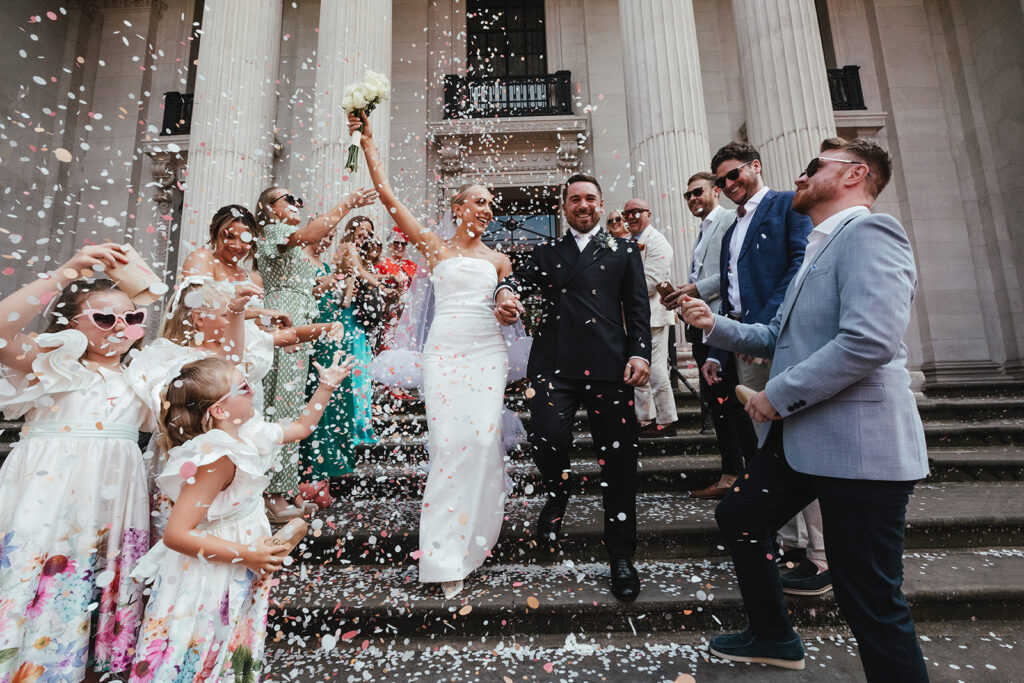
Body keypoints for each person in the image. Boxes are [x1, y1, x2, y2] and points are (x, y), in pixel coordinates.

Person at [676, 138, 929, 680]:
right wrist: (712, 325)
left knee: (872, 601)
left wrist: (775, 396)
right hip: (804, 441)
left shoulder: (871, 232)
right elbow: (776, 335)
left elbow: (868, 342)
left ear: (854, 174)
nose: (802, 174)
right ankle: (773, 634)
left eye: (816, 167)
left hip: (859, 444)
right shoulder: (818, 246)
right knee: (740, 516)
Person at [353, 110, 513, 600]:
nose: (487, 209)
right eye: (479, 201)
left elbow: (508, 301)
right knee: (449, 446)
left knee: (483, 444)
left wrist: (509, 307)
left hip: (488, 352)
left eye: (492, 204)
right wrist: (368, 142)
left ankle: (473, 541)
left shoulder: (500, 258)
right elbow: (387, 196)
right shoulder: (434, 247)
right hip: (445, 352)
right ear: (457, 205)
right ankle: (443, 557)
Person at [128, 354, 351, 682]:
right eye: (243, 387)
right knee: (197, 642)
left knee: (226, 642)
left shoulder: (249, 434)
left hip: (237, 560)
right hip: (210, 570)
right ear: (219, 410)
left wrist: (326, 386)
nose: (252, 391)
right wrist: (248, 554)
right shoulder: (215, 458)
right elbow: (176, 533)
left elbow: (303, 428)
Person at [0, 245, 158, 682]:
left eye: (132, 318)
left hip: (115, 500)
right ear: (71, 324)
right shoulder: (52, 363)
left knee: (101, 591)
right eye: (105, 318)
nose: (120, 327)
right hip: (48, 494)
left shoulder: (143, 376)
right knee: (35, 575)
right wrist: (64, 274)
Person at [495, 173, 652, 602]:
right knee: (546, 437)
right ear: (563, 208)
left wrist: (640, 354)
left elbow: (637, 308)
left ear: (601, 205)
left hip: (608, 365)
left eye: (590, 198)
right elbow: (518, 282)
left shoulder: (623, 250)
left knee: (619, 461)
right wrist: (505, 293)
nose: (583, 205)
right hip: (553, 365)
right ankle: (557, 494)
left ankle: (621, 554)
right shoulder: (547, 251)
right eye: (574, 199)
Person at [704, 141, 825, 584]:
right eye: (722, 181)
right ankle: (788, 540)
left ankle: (820, 552)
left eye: (735, 174)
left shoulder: (785, 205)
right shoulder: (731, 229)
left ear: (755, 166)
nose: (729, 184)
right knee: (765, 449)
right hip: (743, 350)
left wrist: (766, 327)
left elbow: (798, 267)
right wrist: (719, 351)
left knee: (797, 445)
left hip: (781, 343)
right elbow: (729, 297)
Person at [254, 184, 377, 521]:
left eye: (298, 199)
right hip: (284, 322)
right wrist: (349, 201)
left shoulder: (290, 241)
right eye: (288, 199)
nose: (296, 203)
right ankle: (271, 492)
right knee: (281, 405)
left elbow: (306, 284)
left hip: (303, 324)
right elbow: (312, 233)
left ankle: (287, 485)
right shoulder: (273, 231)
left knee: (292, 405)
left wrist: (333, 282)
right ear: (267, 208)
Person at [670, 171, 756, 498]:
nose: (692, 199)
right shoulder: (704, 229)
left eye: (697, 192)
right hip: (701, 328)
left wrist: (696, 289)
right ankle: (733, 472)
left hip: (721, 327)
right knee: (717, 404)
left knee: (729, 403)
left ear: (716, 191)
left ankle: (740, 473)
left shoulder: (729, 221)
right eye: (687, 195)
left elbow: (735, 271)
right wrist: (684, 301)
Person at [299, 216, 378, 504]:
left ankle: (327, 473)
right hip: (312, 341)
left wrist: (347, 285)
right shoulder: (300, 262)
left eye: (332, 234)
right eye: (325, 233)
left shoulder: (329, 265)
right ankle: (310, 476)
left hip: (335, 340)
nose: (329, 238)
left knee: (335, 405)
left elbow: (342, 302)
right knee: (315, 404)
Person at [179, 203, 291, 328]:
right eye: (229, 237)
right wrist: (259, 312)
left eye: (244, 239)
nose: (237, 246)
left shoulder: (254, 279)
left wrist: (275, 326)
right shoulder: (202, 259)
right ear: (215, 234)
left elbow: (257, 328)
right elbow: (198, 307)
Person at [623, 198, 678, 437]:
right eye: (628, 214)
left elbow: (651, 284)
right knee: (638, 368)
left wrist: (615, 289)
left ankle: (667, 420)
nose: (632, 217)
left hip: (653, 317)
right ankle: (644, 419)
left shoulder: (658, 242)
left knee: (656, 371)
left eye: (637, 212)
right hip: (632, 318)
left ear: (649, 213)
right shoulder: (627, 241)